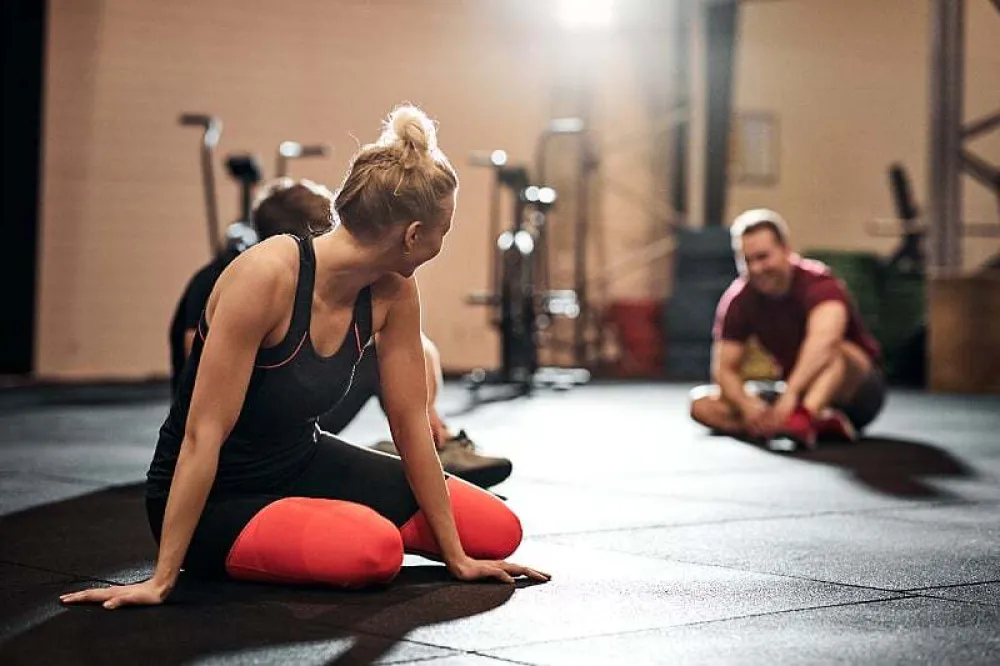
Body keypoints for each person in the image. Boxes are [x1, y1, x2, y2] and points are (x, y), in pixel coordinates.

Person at [61, 104, 549, 610]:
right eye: (444, 229)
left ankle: (315, 518)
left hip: (300, 459)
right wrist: (162, 577)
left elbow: (408, 425)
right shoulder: (267, 277)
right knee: (373, 552)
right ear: (412, 235)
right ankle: (300, 528)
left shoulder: (395, 290)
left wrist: (457, 557)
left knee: (495, 530)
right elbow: (202, 434)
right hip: (219, 495)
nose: (443, 242)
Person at [169, 178, 513, 489]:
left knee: (397, 353)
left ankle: (429, 443)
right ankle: (405, 448)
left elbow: (420, 352)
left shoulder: (361, 283)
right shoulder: (242, 278)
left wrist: (424, 415)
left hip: (299, 424)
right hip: (237, 424)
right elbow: (197, 368)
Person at [689, 208, 886, 449]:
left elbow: (824, 345)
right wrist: (748, 406)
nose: (757, 268)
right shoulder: (739, 298)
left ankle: (806, 415)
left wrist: (790, 396)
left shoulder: (821, 284)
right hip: (793, 391)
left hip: (855, 391)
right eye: (746, 260)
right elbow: (723, 369)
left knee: (836, 352)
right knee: (701, 404)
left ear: (785, 250)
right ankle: (806, 424)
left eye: (763, 257)